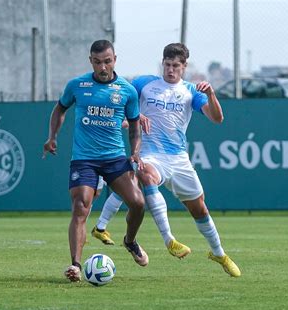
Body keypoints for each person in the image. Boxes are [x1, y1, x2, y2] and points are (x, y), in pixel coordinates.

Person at [92, 43, 241, 277]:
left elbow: (217, 118)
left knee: (200, 209)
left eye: (175, 66)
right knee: (145, 175)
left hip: (179, 159)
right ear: (163, 63)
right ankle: (169, 239)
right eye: (167, 64)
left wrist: (211, 94)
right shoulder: (144, 84)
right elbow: (119, 102)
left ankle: (219, 253)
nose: (170, 70)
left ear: (184, 67)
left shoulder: (192, 91)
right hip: (150, 155)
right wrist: (134, 117)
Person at [42, 39, 148, 282]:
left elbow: (134, 127)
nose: (103, 67)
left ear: (115, 60)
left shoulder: (127, 90)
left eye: (107, 61)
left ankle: (130, 241)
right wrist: (52, 137)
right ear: (91, 61)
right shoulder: (77, 85)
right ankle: (76, 266)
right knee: (81, 206)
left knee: (138, 202)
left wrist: (135, 152)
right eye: (98, 62)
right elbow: (60, 109)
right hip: (84, 159)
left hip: (114, 159)